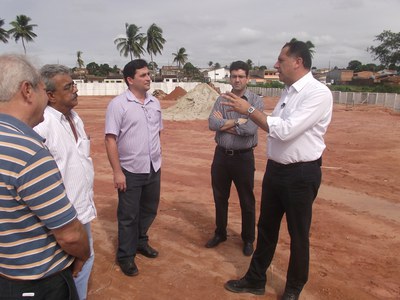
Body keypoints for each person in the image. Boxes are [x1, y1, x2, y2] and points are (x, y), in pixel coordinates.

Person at [222, 41, 333, 300]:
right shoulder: (289, 92)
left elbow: (284, 130)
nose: (276, 64)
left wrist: (248, 111)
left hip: (301, 175)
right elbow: (278, 125)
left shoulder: (318, 93)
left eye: (281, 60)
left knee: (298, 234)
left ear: (298, 62)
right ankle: (256, 278)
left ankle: (293, 288)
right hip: (276, 171)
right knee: (267, 228)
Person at [0, 54, 90, 299]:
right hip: (38, 281)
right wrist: (83, 253)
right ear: (27, 90)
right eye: (42, 88)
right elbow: (70, 235)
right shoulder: (28, 150)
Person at [34, 64, 97, 300]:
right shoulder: (43, 125)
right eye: (68, 87)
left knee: (82, 266)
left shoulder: (75, 117)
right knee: (65, 271)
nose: (75, 90)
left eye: (74, 85)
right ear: (50, 95)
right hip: (62, 218)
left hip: (82, 210)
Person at [105, 59, 162, 277]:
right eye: (143, 75)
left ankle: (140, 242)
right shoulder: (118, 105)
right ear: (130, 80)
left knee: (149, 210)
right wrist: (117, 172)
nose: (148, 78)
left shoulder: (155, 103)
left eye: (148, 74)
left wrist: (158, 155)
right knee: (128, 215)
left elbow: (158, 132)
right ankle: (126, 256)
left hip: (153, 167)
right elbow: (110, 139)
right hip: (130, 170)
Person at [206, 61, 264, 256]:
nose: (237, 79)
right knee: (220, 197)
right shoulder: (222, 99)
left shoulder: (255, 101)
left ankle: (248, 239)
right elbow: (212, 123)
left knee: (247, 200)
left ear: (247, 78)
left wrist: (225, 124)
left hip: (243, 158)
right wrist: (237, 121)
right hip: (221, 156)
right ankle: (220, 233)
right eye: (234, 76)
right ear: (230, 78)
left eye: (241, 76)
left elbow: (250, 129)